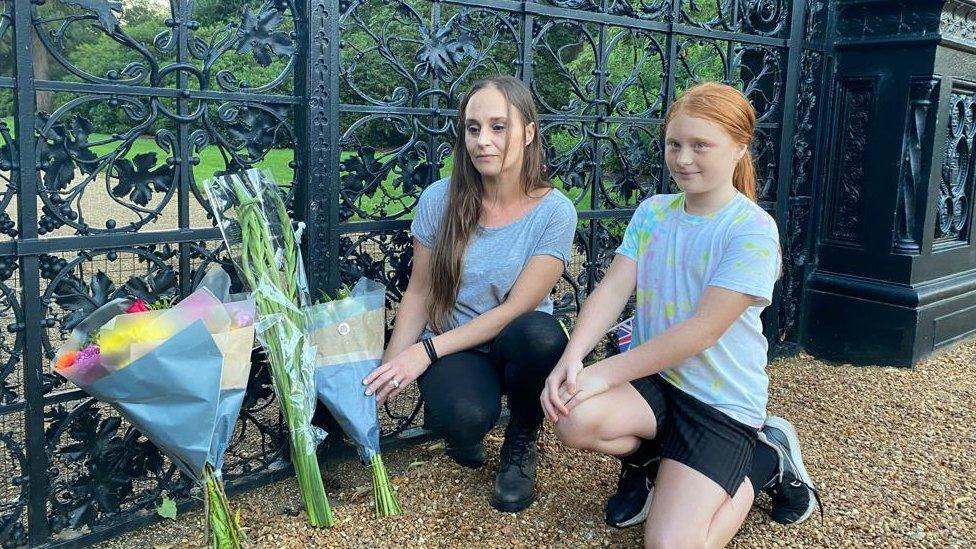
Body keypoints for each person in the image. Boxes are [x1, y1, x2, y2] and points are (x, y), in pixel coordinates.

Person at [541, 82, 820, 546]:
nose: (683, 158)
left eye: (700, 146)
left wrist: (604, 373)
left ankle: (764, 462)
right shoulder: (653, 213)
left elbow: (703, 331)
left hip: (719, 403)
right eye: (675, 144)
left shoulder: (752, 230)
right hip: (658, 381)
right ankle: (651, 464)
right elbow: (612, 289)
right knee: (572, 415)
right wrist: (574, 357)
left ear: (738, 148)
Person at [363, 75, 577, 513]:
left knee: (542, 334)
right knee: (463, 420)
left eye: (499, 127)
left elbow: (516, 308)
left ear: (529, 132)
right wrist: (387, 372)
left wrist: (424, 352)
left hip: (515, 343)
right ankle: (468, 430)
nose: (483, 140)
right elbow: (420, 291)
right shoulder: (439, 200)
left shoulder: (554, 212)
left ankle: (521, 439)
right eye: (473, 128)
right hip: (457, 345)